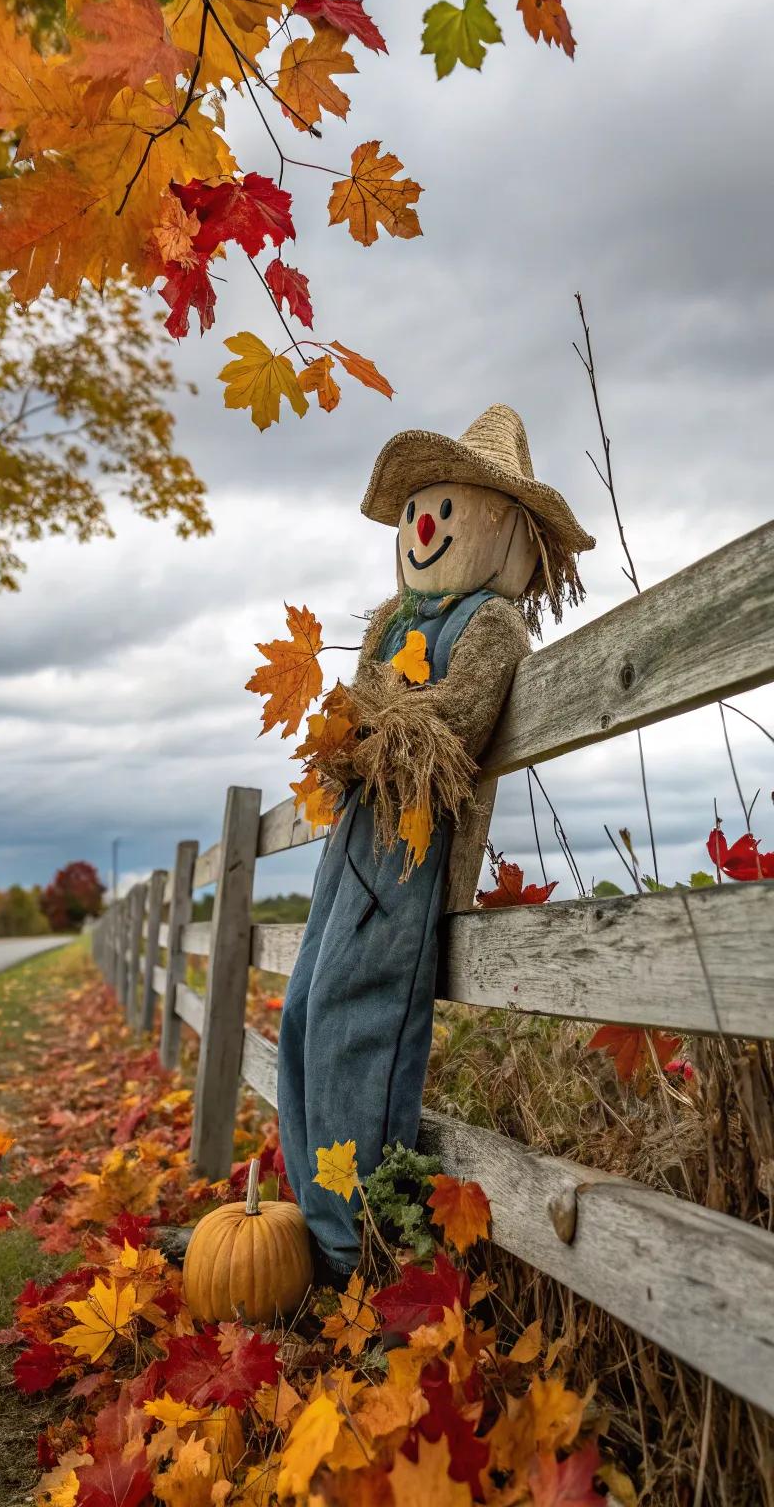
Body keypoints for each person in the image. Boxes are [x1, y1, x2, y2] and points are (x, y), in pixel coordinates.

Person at [277, 404, 595, 1276]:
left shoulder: (488, 625)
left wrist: (364, 718)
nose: (425, 525)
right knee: (305, 1006)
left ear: (508, 531)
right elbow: (355, 719)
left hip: (408, 850)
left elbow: (451, 721)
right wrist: (356, 724)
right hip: (353, 836)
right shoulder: (389, 622)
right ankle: (308, 1218)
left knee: (360, 1013)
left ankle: (355, 1249)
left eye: (447, 508)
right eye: (423, 506)